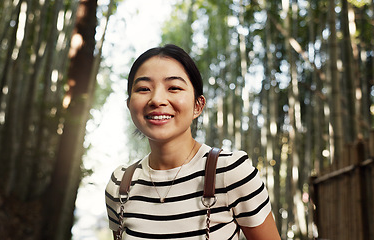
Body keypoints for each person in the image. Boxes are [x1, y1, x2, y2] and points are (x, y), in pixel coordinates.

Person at [105, 44, 281, 240]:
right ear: (129, 104)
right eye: (144, 89)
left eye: (174, 88)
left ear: (198, 106)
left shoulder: (230, 172)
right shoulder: (120, 185)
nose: (156, 99)